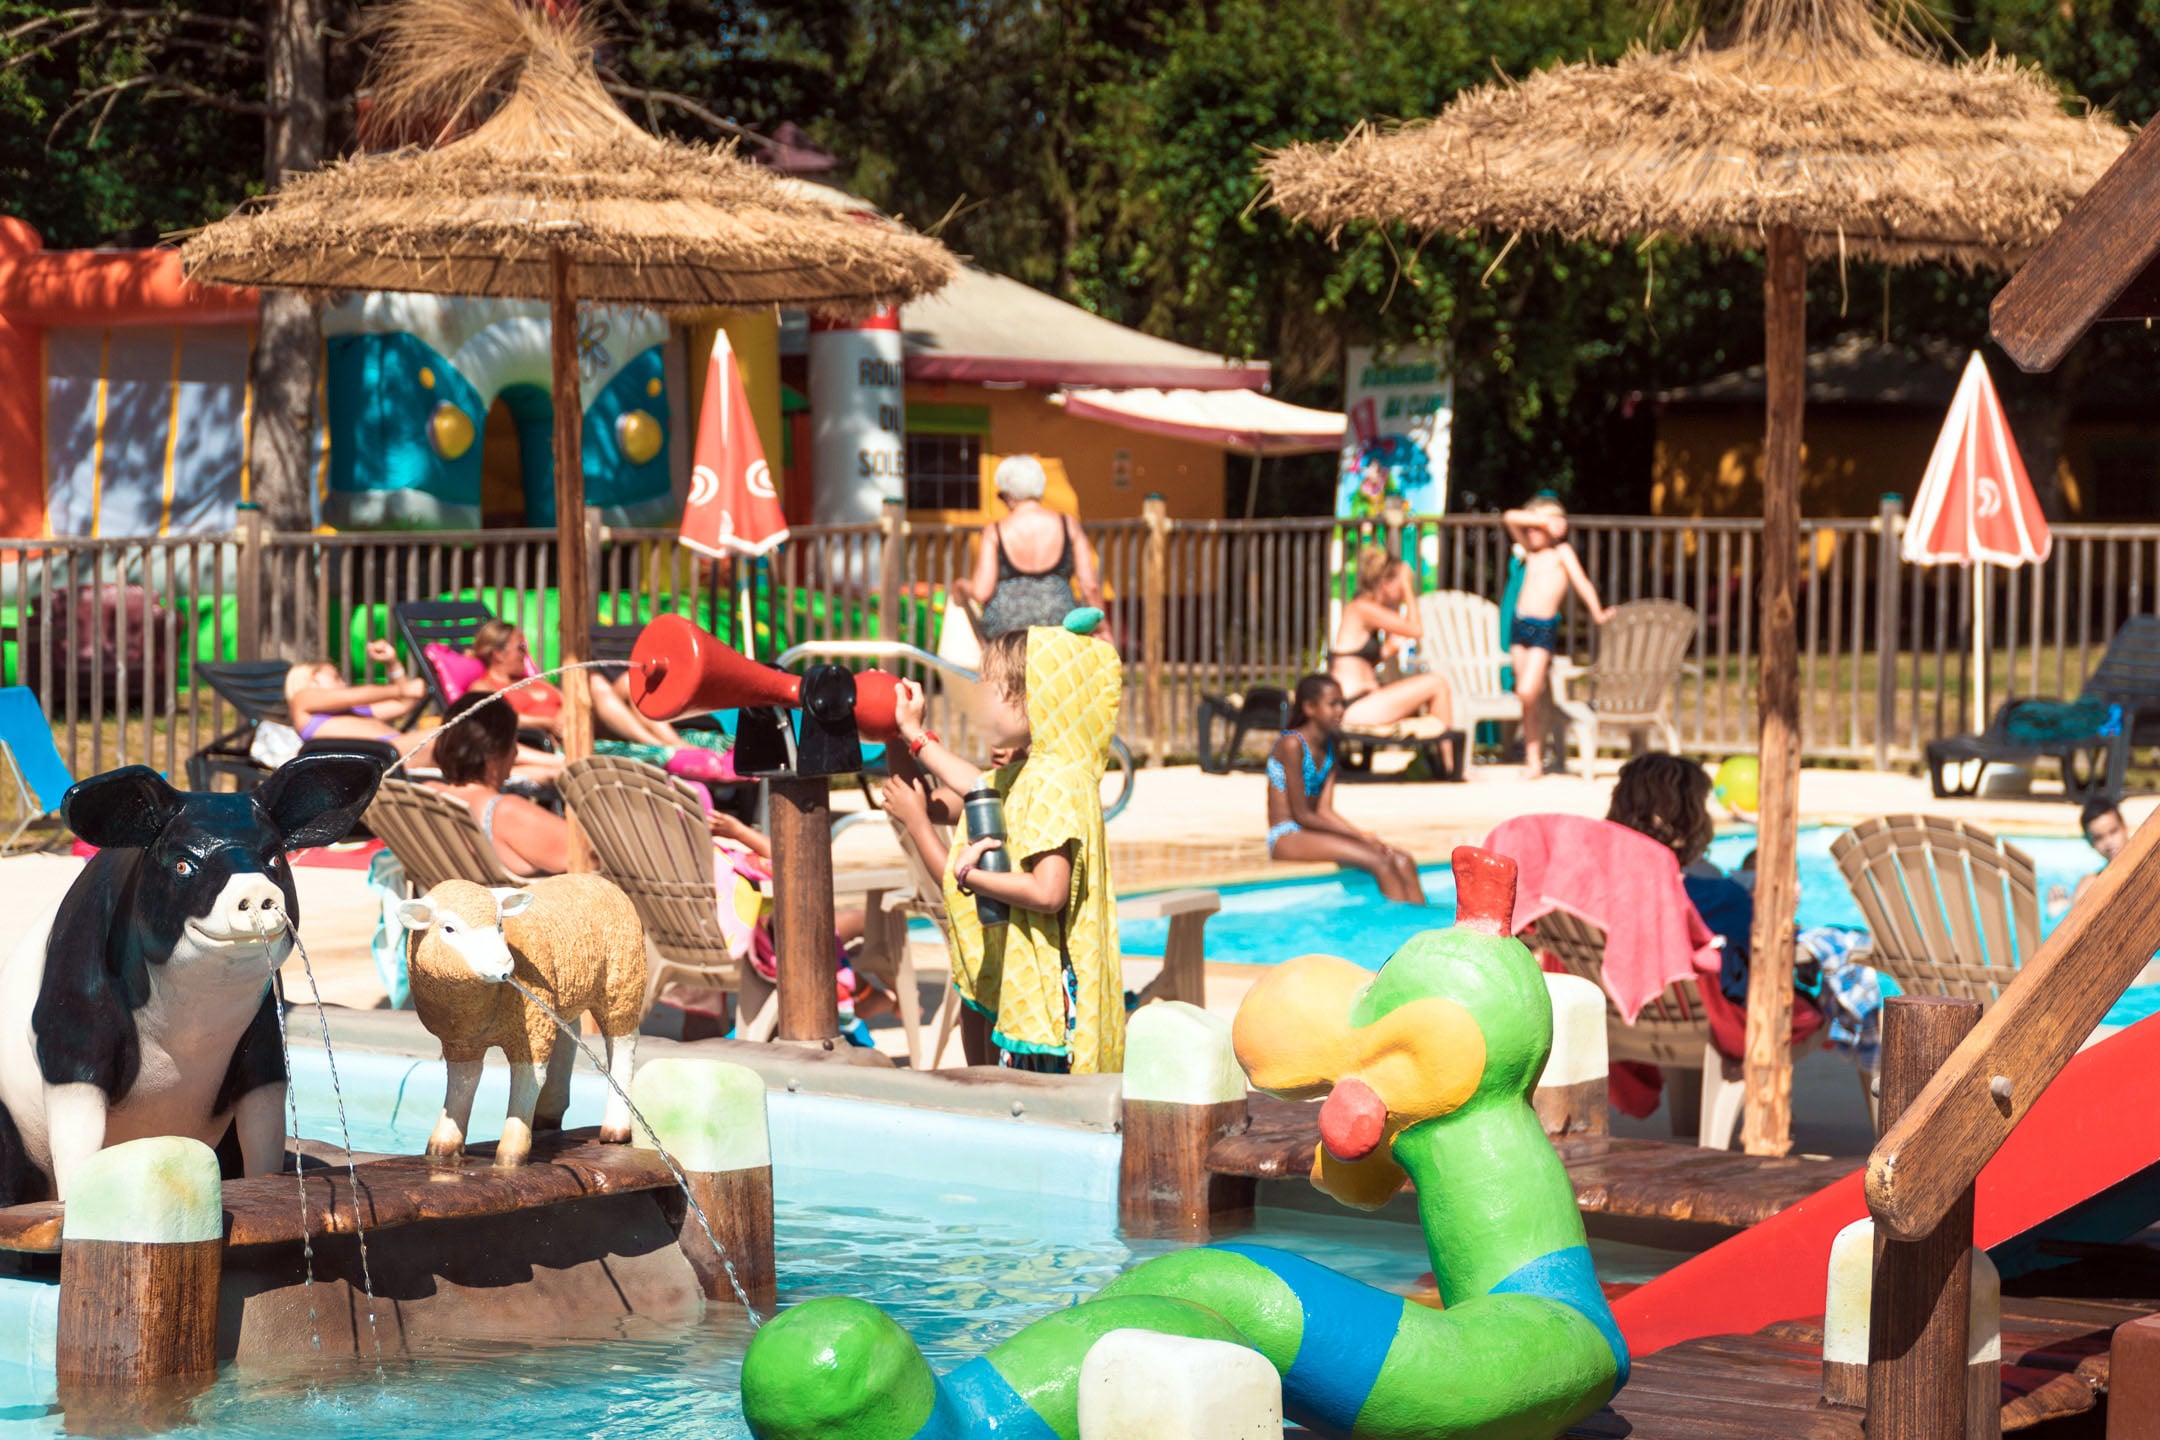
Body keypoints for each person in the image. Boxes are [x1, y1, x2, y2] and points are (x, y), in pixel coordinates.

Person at [881, 621, 1124, 1074]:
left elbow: (1049, 892)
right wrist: (902, 731)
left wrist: (970, 875)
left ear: (1031, 697)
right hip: (1030, 987)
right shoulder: (1033, 776)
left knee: (1044, 1103)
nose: (979, 701)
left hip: (1054, 1002)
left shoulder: (1051, 781)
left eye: (989, 688)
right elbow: (972, 787)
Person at [1605, 753, 1826, 1053]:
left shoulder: (1602, 891)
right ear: (1692, 817)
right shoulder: (1718, 897)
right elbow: (1762, 953)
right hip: (1718, 1028)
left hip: (1621, 1016)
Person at [1263, 674, 1424, 904]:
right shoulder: (1292, 744)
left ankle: (1424, 920)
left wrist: (1364, 836)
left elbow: (1324, 810)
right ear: (1309, 708)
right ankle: (1399, 924)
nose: (1340, 710)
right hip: (1287, 835)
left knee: (1402, 859)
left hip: (1312, 831)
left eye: (1342, 703)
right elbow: (1302, 815)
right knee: (1379, 861)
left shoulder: (1329, 746)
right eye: (1332, 704)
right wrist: (1360, 837)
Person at [1503, 498, 1611, 778]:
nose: (1532, 531)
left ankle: (1540, 746)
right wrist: (1541, 520)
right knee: (1529, 699)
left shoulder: (1561, 552)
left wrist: (1598, 613)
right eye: (1531, 525)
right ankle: (1533, 760)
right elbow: (1509, 517)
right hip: (1519, 625)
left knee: (1527, 691)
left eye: (1540, 526)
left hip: (1543, 629)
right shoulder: (1530, 552)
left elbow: (1582, 583)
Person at [464, 620, 689, 752]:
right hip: (562, 737)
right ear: (498, 654)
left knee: (626, 681)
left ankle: (673, 742)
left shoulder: (533, 681)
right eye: (521, 647)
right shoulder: (484, 687)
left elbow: (569, 699)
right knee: (596, 683)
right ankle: (659, 746)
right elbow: (496, 718)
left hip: (582, 721)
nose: (526, 652)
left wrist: (565, 711)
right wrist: (547, 722)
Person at [423, 693, 572, 877]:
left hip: (450, 891)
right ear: (494, 753)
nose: (515, 753)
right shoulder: (504, 812)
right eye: (513, 742)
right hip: (515, 896)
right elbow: (588, 853)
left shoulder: (428, 794)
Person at [956, 454, 1106, 637]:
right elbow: (1090, 586)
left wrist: (961, 586)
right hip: (1058, 627)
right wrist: (1103, 628)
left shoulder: (995, 531)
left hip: (1007, 633)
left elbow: (982, 591)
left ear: (1009, 495)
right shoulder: (1068, 525)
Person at [1328, 549, 1453, 734]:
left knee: (1420, 705)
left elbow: (1359, 661)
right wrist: (1408, 586)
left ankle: (1436, 751)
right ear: (1385, 584)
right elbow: (1415, 629)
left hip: (1363, 701)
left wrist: (1387, 649)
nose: (1402, 592)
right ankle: (1448, 753)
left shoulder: (1363, 609)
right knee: (1438, 683)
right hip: (1354, 705)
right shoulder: (1362, 608)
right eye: (1400, 585)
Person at [285, 639, 429, 754]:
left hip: (404, 749)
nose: (343, 683)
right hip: (388, 756)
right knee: (440, 737)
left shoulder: (355, 711)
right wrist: (400, 690)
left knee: (440, 735)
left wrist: (392, 663)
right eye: (336, 677)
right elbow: (348, 697)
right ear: (313, 679)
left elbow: (404, 705)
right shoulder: (301, 699)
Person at [2050, 796, 2131, 915]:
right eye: (2099, 837)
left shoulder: (2151, 861)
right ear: (2090, 842)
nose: (2109, 842)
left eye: (2113, 831)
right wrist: (2058, 912)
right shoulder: (2089, 885)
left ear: (2125, 827)